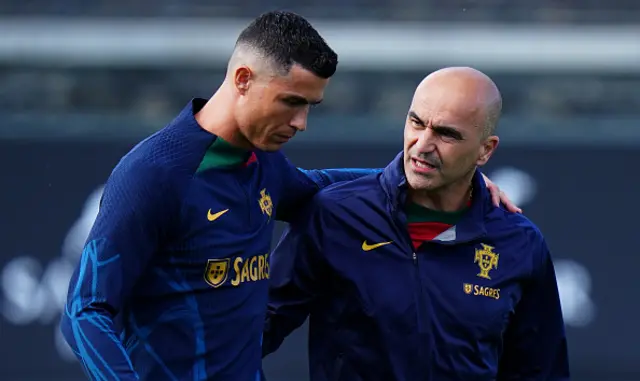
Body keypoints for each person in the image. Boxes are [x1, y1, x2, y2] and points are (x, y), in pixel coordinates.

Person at [60, 11, 516, 381]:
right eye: (291, 102)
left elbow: (323, 189)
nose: (301, 123)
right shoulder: (154, 175)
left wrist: (447, 180)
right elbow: (85, 311)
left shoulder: (263, 164)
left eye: (310, 106)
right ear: (242, 79)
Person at [263, 67, 569, 381]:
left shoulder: (520, 243)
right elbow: (257, 331)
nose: (422, 144)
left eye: (446, 134)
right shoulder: (334, 214)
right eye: (416, 122)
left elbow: (541, 371)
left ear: (485, 150)